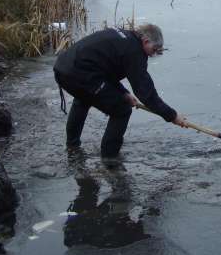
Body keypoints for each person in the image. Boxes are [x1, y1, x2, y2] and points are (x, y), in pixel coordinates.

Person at [53, 23, 186, 162]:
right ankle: (109, 159)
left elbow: (104, 69)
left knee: (84, 98)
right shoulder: (135, 52)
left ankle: (72, 146)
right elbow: (147, 94)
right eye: (154, 49)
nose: (154, 54)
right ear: (146, 41)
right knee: (122, 110)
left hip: (63, 67)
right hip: (79, 74)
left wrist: (124, 93)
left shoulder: (125, 37)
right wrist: (173, 116)